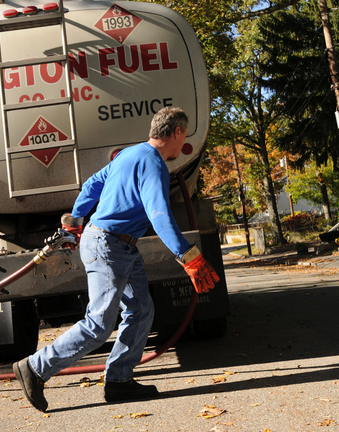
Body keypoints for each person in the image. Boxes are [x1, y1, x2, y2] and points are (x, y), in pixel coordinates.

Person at [12, 107, 220, 412]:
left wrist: (77, 216)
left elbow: (93, 184)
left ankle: (119, 380)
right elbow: (159, 213)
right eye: (184, 135)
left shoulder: (129, 154)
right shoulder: (153, 164)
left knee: (140, 310)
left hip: (118, 246)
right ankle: (34, 367)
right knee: (99, 324)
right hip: (109, 245)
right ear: (176, 132)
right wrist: (187, 256)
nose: (183, 143)